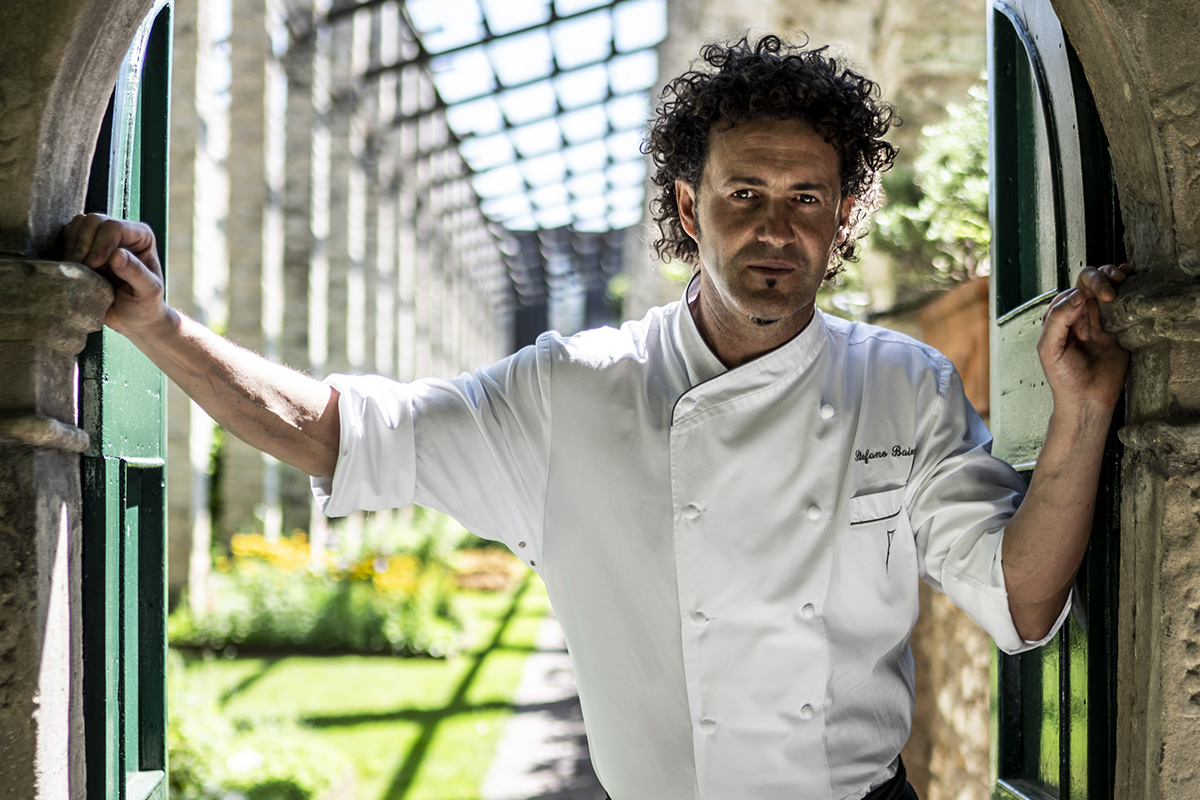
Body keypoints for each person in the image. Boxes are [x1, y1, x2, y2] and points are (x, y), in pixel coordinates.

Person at [63, 34, 1130, 800]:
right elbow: (339, 428)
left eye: (807, 197)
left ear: (846, 213)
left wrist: (1080, 417)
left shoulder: (905, 383)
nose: (776, 227)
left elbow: (1023, 598)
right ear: (684, 205)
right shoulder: (575, 385)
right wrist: (161, 328)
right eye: (742, 193)